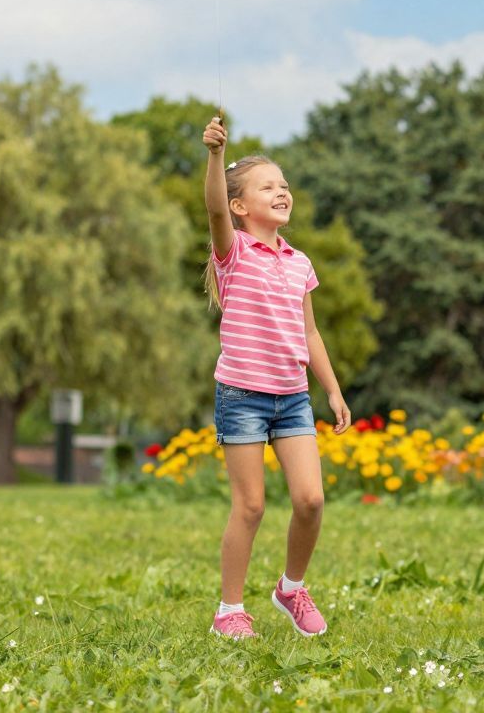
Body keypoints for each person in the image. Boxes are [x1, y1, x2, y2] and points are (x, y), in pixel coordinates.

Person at [200, 116, 352, 640]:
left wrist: (331, 389)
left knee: (310, 500)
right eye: (268, 186)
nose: (281, 191)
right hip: (241, 394)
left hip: (291, 397)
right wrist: (217, 156)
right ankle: (230, 611)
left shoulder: (299, 263)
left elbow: (309, 334)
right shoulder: (234, 252)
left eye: (284, 185)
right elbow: (214, 207)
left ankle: (291, 587)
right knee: (252, 505)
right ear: (242, 206)